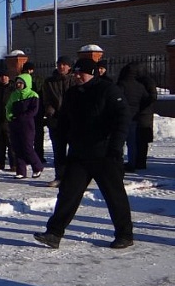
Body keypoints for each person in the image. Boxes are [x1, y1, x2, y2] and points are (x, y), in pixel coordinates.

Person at [34, 58, 134, 249]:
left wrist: (115, 146)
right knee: (68, 194)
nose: (78, 76)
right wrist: (61, 150)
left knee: (114, 196)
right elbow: (64, 123)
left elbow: (123, 118)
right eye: (76, 73)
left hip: (104, 154)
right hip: (79, 154)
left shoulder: (107, 90)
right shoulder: (72, 94)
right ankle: (54, 233)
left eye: (82, 73)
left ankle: (125, 234)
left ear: (93, 73)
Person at [42, 56, 77, 187]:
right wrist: (50, 110)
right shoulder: (50, 82)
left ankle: (75, 177)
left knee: (75, 151)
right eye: (59, 64)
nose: (61, 67)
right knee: (59, 150)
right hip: (56, 120)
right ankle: (60, 177)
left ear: (69, 66)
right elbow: (46, 99)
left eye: (64, 64)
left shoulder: (75, 80)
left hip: (73, 120)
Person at [5, 74, 44, 179]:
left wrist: (22, 117)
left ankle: (37, 167)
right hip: (14, 124)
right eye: (17, 83)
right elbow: (8, 107)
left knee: (27, 147)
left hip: (27, 125)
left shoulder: (33, 95)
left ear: (26, 83)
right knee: (17, 147)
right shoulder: (14, 95)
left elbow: (33, 111)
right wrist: (9, 116)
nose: (18, 85)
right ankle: (21, 171)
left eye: (21, 83)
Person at [116, 63, 150, 172]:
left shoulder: (121, 84)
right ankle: (132, 163)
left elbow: (115, 98)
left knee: (119, 141)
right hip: (134, 116)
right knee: (132, 143)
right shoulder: (140, 86)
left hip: (121, 117)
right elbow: (146, 98)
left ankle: (118, 163)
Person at [21, 61, 47, 164]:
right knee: (28, 135)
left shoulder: (38, 80)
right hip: (29, 110)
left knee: (36, 135)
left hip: (37, 110)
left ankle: (38, 155)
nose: (29, 72)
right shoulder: (22, 79)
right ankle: (33, 155)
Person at [134, 64, 157, 170]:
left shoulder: (147, 81)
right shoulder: (137, 80)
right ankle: (138, 160)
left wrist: (141, 106)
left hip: (144, 114)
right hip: (142, 114)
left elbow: (152, 97)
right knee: (137, 139)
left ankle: (141, 161)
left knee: (142, 139)